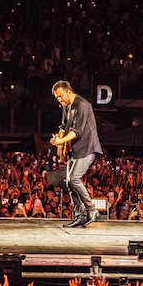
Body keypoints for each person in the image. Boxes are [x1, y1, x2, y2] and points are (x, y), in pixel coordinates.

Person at [49, 80, 102, 228]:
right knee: (68, 182)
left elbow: (76, 131)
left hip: (87, 147)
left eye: (60, 96)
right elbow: (63, 126)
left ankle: (92, 210)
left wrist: (61, 141)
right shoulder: (66, 106)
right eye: (57, 98)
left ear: (68, 91)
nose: (59, 100)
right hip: (75, 149)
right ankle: (80, 215)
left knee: (74, 178)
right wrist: (58, 139)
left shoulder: (82, 105)